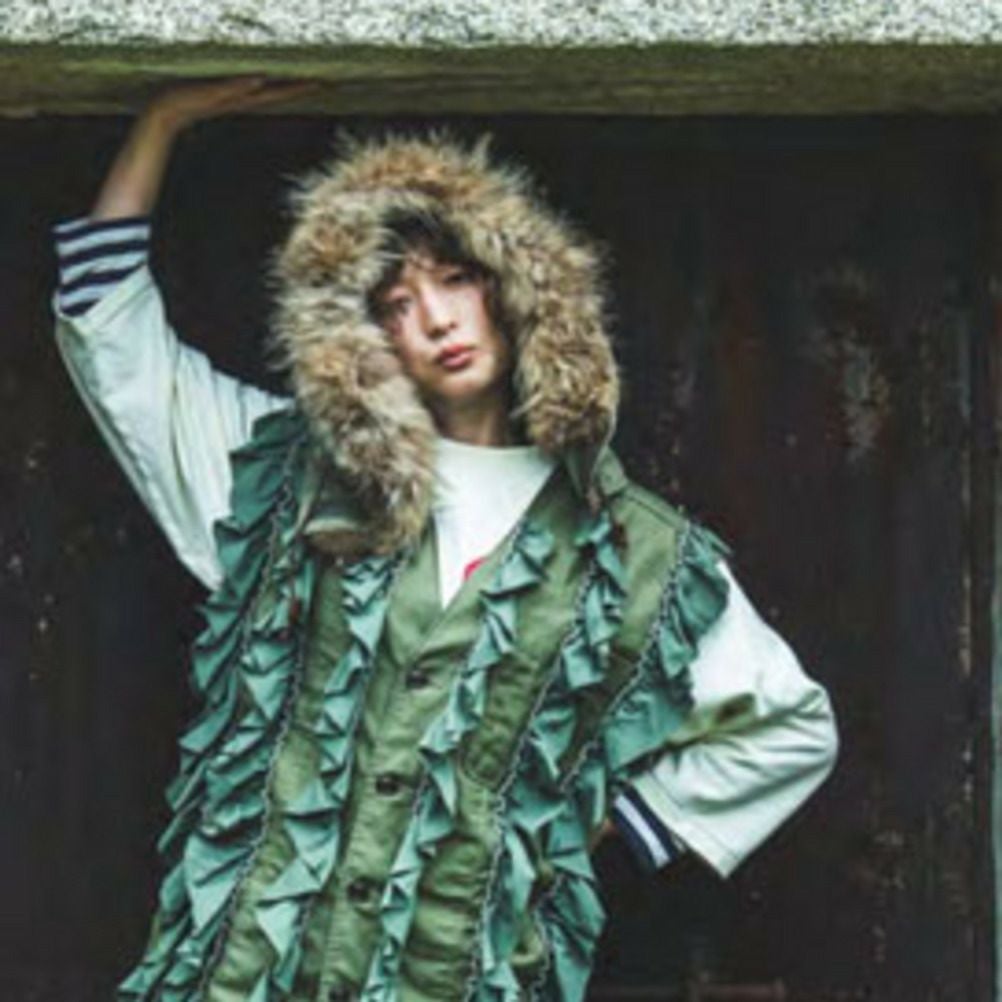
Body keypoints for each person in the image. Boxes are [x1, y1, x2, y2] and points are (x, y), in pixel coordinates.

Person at [52, 78, 839, 1002]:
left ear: (515, 286)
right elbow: (109, 330)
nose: (436, 319)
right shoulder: (281, 481)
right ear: (360, 338)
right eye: (394, 301)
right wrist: (162, 122)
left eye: (457, 278)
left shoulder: (639, 553)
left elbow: (791, 727)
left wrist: (596, 828)